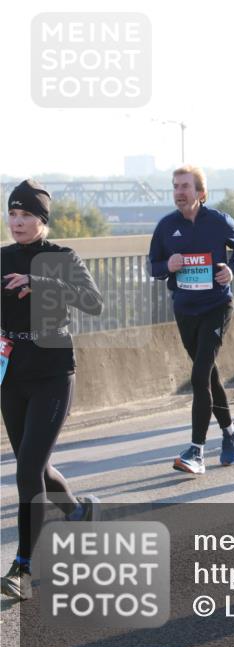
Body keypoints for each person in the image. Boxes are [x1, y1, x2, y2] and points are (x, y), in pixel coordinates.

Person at [1, 179, 103, 600]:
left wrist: (42, 282)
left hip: (53, 371)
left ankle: (23, 567)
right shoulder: (2, 257)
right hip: (11, 371)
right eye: (12, 213)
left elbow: (93, 301)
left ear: (42, 220)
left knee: (26, 469)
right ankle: (78, 511)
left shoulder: (61, 258)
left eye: (26, 215)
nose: (17, 222)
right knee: (36, 465)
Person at [149, 165, 234, 475]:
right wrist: (170, 263)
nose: (179, 192)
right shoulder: (166, 227)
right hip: (185, 310)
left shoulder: (219, 221)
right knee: (208, 376)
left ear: (200, 193)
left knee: (199, 375)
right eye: (175, 186)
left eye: (185, 187)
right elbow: (154, 267)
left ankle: (197, 451)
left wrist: (231, 269)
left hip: (217, 306)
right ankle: (231, 432)